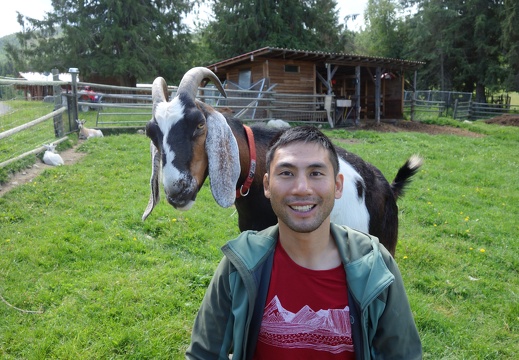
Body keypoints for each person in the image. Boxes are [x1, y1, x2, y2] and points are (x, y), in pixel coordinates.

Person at [186, 126, 422, 359]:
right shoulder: (238, 266)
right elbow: (202, 355)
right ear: (267, 185)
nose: (301, 189)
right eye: (286, 173)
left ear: (338, 185)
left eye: (316, 173)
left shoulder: (377, 267)